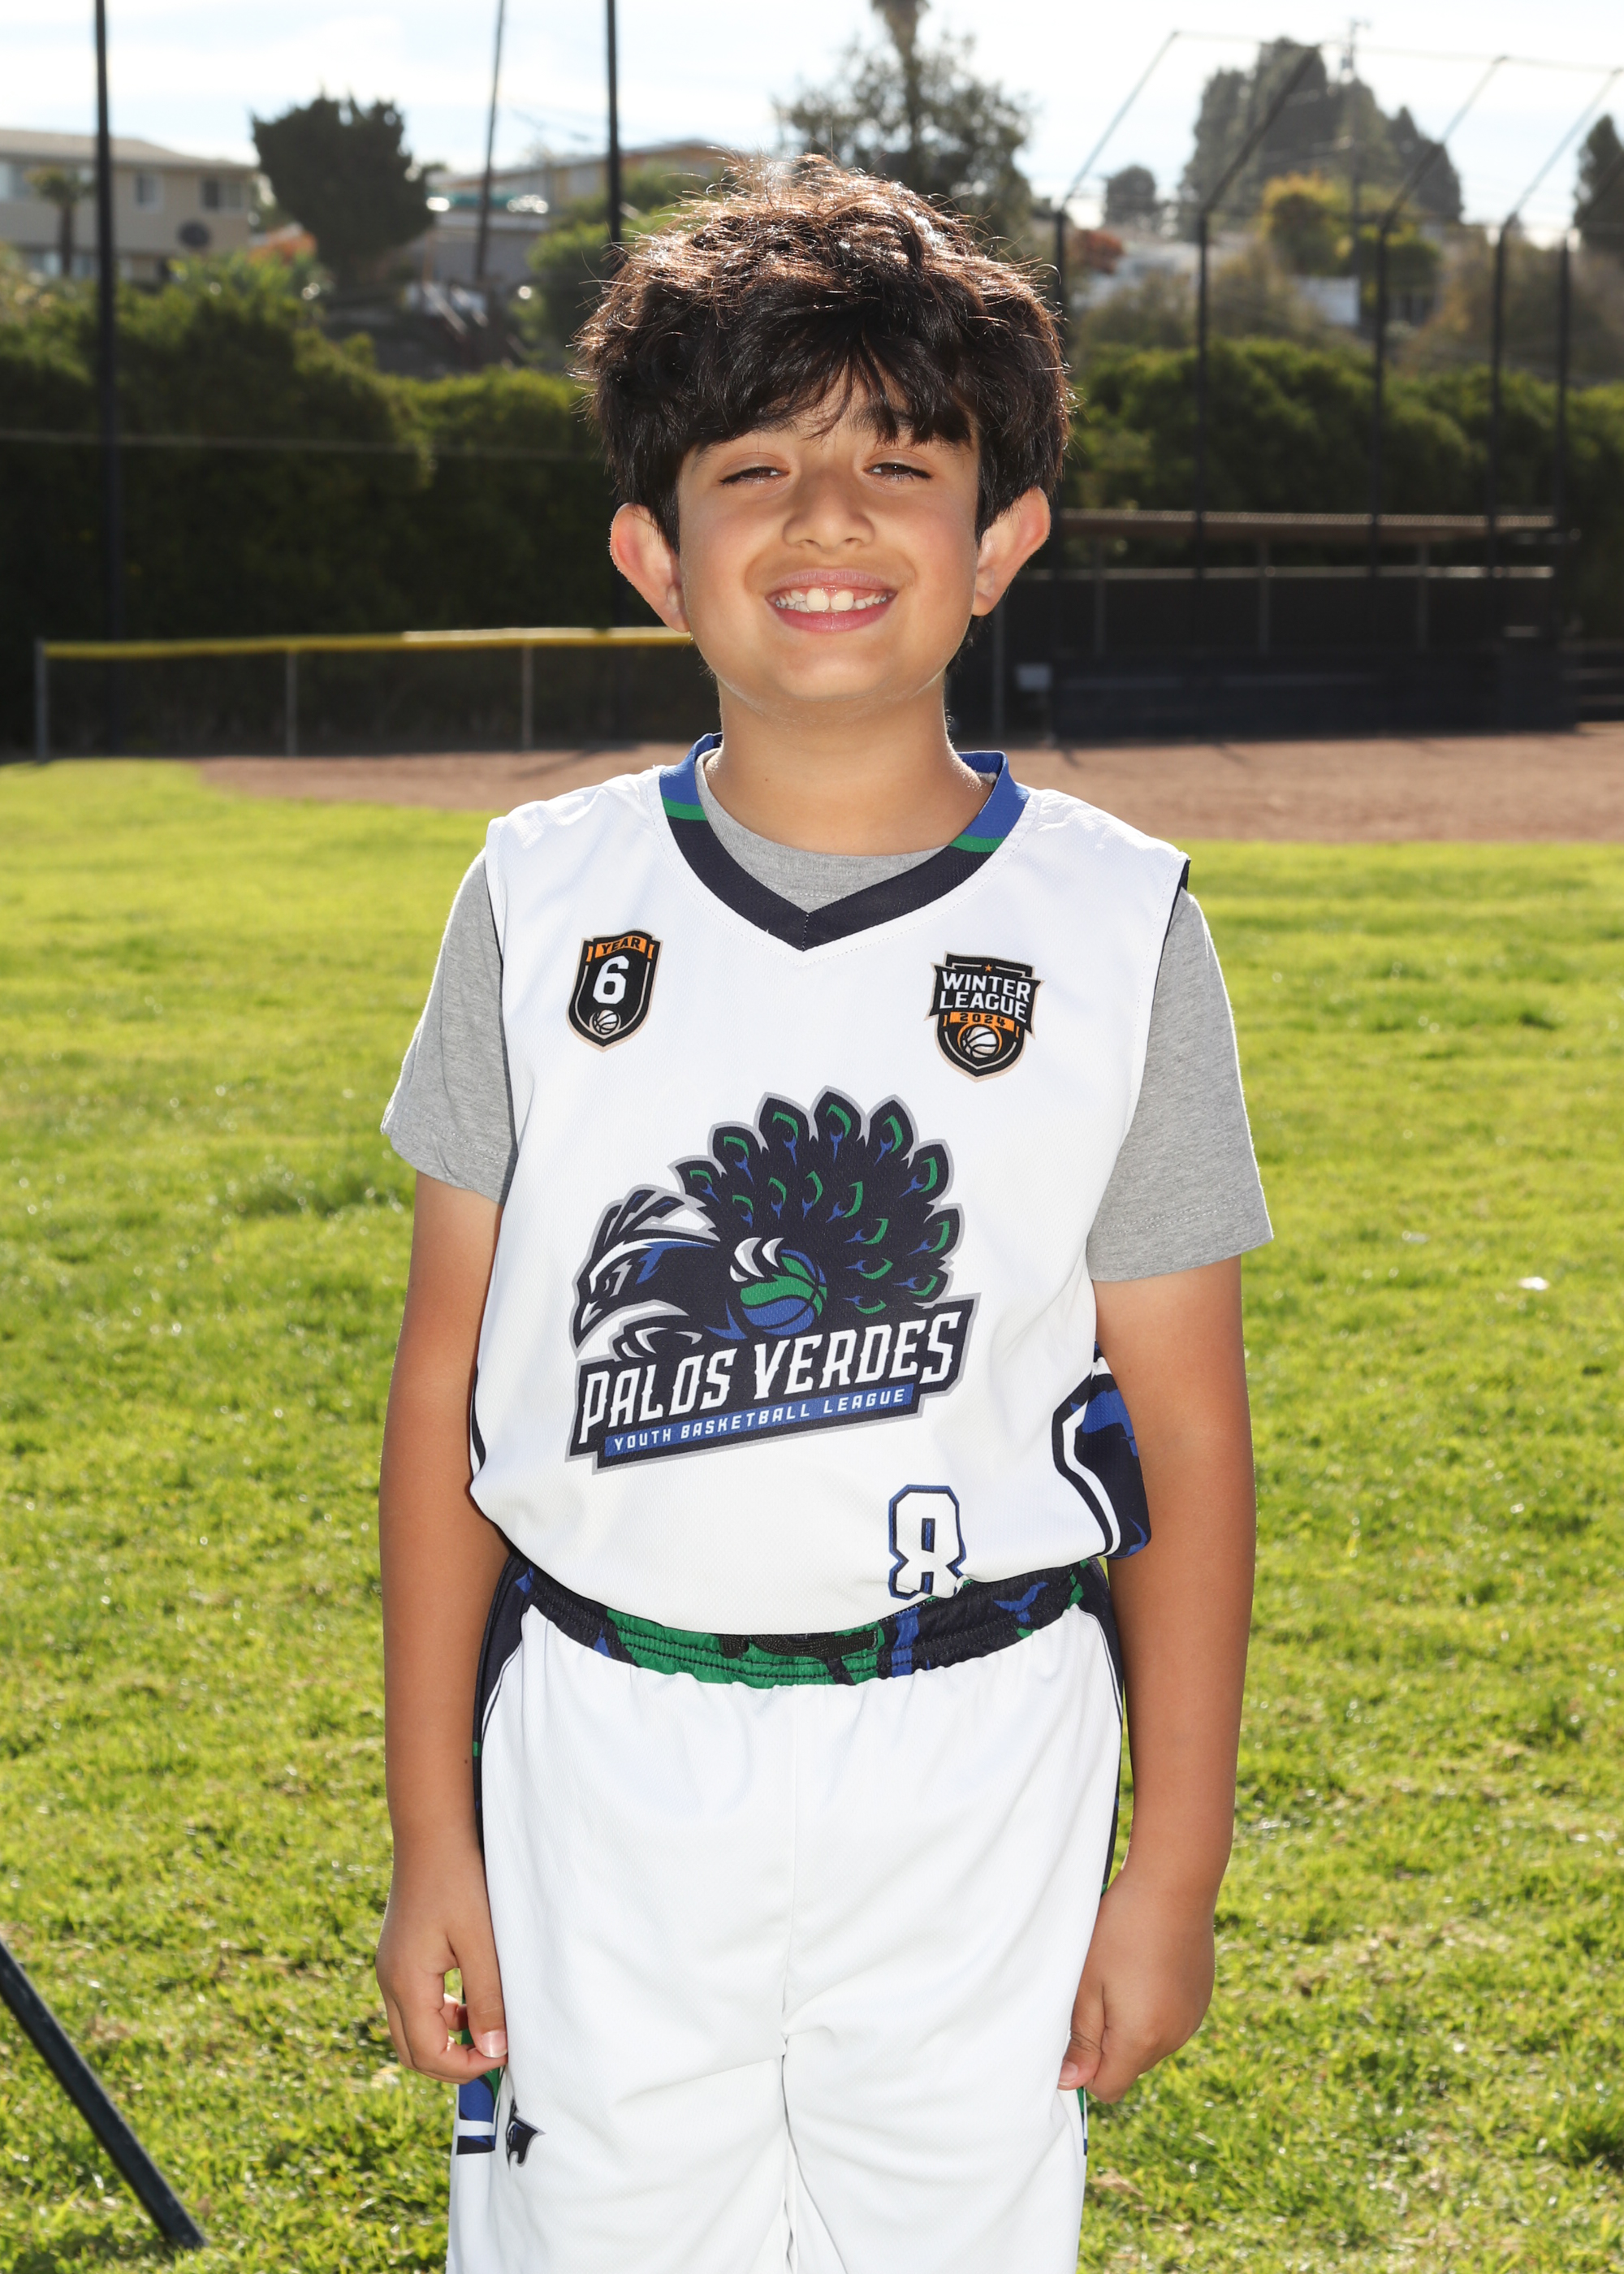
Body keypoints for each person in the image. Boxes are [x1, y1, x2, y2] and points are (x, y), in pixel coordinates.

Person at [374, 159, 1268, 2274]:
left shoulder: (1117, 923)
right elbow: (444, 1398)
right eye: (754, 470)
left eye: (901, 465)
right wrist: (432, 1839)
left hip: (980, 1746)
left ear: (1004, 538)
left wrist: (1174, 1872)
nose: (829, 519)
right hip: (604, 1736)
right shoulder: (539, 900)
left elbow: (1189, 1434)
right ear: (652, 554)